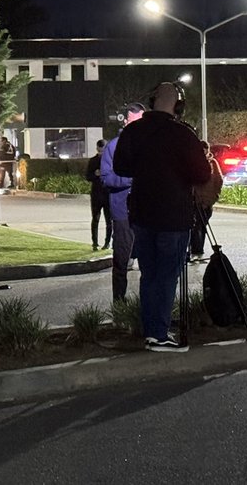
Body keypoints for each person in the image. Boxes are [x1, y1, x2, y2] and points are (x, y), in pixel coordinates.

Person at [112, 82, 210, 353]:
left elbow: (120, 167)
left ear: (152, 101)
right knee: (167, 276)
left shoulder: (132, 131)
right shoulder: (183, 134)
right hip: (174, 216)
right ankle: (158, 334)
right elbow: (202, 174)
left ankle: (151, 332)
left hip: (142, 214)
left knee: (149, 275)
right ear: (179, 105)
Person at [102, 102, 146, 302]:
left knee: (148, 262)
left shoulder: (150, 145)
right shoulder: (114, 146)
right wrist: (132, 178)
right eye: (134, 122)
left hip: (147, 212)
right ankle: (119, 302)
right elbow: (106, 178)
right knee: (121, 260)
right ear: (125, 122)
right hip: (123, 214)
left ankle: (146, 304)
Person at [189, 140, 224, 262]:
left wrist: (214, 196)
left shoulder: (212, 163)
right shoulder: (193, 163)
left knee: (201, 227)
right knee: (195, 226)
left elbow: (218, 180)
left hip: (207, 202)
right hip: (194, 201)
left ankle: (197, 250)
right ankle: (194, 250)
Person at [85, 139, 110, 250]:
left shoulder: (111, 161)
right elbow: (87, 176)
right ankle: (95, 243)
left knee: (109, 220)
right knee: (95, 219)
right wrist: (95, 174)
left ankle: (107, 242)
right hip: (96, 194)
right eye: (99, 151)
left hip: (107, 194)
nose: (101, 153)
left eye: (102, 151)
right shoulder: (93, 161)